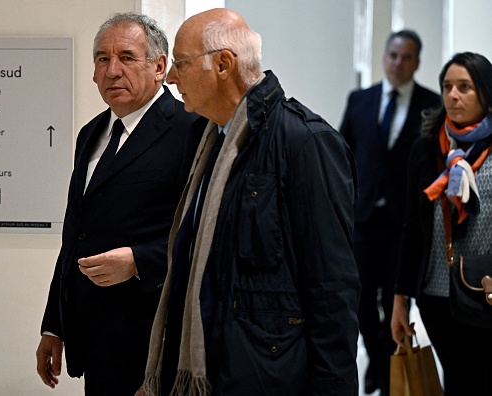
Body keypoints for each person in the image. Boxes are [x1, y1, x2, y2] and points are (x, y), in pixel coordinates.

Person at [139, 8, 360, 396]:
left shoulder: (305, 141)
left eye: (181, 64)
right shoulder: (207, 140)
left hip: (265, 376)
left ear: (223, 64)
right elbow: (191, 271)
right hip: (212, 373)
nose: (172, 78)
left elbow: (331, 287)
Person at [36, 12, 203, 395]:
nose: (112, 71)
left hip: (154, 345)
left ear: (160, 66)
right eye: (102, 59)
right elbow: (76, 233)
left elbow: (205, 236)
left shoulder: (190, 130)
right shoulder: (90, 133)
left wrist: (139, 261)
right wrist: (54, 325)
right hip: (94, 343)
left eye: (127, 57)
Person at [339, 29, 439, 395]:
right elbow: (342, 153)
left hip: (403, 223)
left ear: (417, 62)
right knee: (361, 299)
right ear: (384, 57)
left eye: (406, 57)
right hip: (362, 220)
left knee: (396, 301)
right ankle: (379, 357)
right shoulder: (360, 100)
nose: (398, 63)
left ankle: (383, 371)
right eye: (393, 55)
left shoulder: (431, 105)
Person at [391, 52, 492, 395]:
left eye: (465, 87)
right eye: (448, 86)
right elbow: (410, 229)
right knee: (459, 382)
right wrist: (400, 299)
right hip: (437, 294)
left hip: (487, 290)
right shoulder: (426, 149)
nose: (453, 95)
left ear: (485, 93)